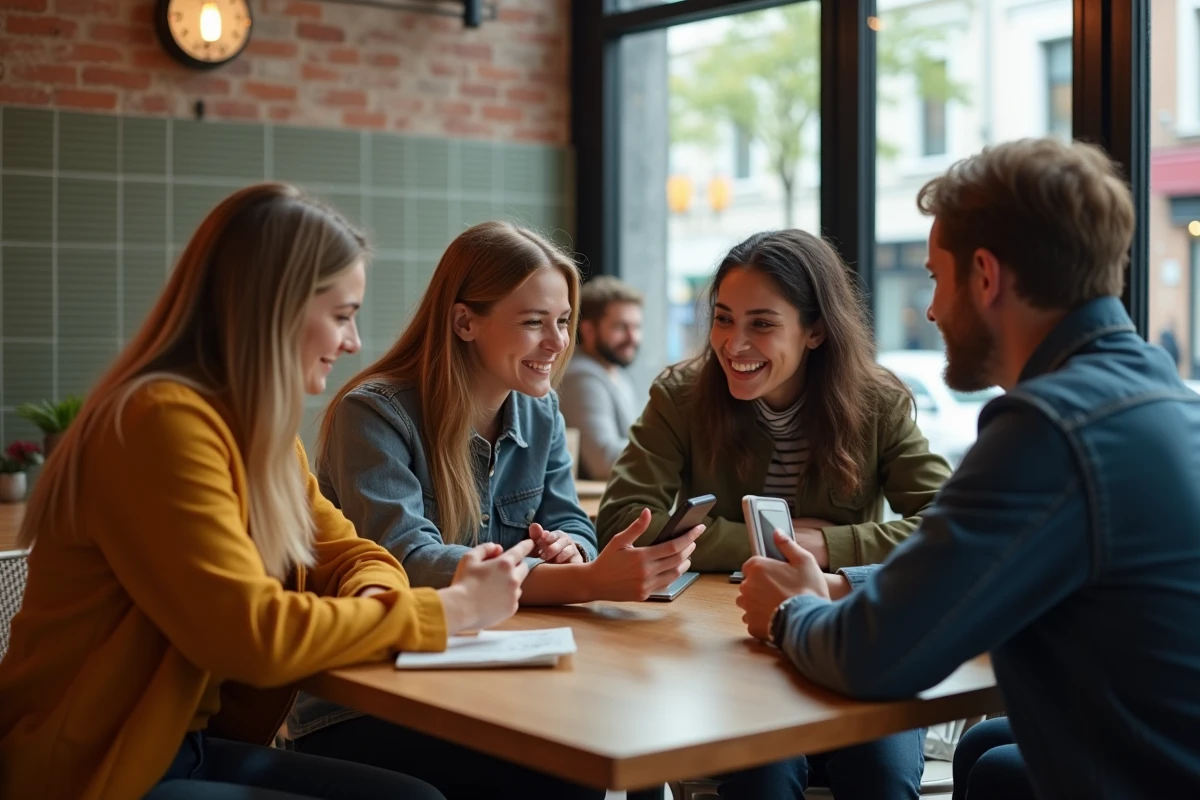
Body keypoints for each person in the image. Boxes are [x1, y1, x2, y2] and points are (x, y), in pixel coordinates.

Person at [0, 184, 532, 800]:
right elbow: (250, 635)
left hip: (180, 746)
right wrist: (449, 611)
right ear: (271, 307)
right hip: (98, 771)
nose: (354, 342)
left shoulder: (261, 435)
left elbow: (350, 554)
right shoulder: (158, 422)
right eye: (341, 315)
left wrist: (380, 595)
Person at [737, 137, 1200, 798]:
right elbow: (985, 564)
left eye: (935, 276)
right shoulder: (1158, 391)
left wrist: (792, 611)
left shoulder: (1049, 428)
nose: (930, 310)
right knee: (989, 748)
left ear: (985, 276)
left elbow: (879, 657)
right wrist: (850, 584)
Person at [287, 221, 701, 800]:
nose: (557, 343)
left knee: (615, 759)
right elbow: (407, 561)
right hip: (372, 700)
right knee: (569, 775)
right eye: (534, 323)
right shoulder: (374, 415)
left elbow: (571, 518)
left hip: (493, 680)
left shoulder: (541, 410)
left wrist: (572, 549)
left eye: (561, 321)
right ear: (464, 322)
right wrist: (581, 579)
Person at [597, 229, 951, 798]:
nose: (734, 344)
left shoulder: (877, 403)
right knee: (762, 776)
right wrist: (777, 544)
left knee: (881, 779)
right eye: (722, 318)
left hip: (852, 642)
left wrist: (827, 550)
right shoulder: (681, 397)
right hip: (730, 649)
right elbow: (622, 522)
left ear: (815, 331)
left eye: (762, 323)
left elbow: (949, 526)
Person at [558, 275, 644, 479]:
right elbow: (604, 461)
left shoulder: (616, 372)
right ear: (588, 330)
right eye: (621, 327)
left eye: (637, 327)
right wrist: (671, 447)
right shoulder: (581, 376)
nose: (633, 338)